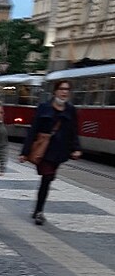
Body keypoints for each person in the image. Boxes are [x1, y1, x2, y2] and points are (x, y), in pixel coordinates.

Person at [19, 79, 81, 225]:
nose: (64, 92)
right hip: (44, 150)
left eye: (67, 90)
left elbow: (74, 131)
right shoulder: (44, 107)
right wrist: (25, 152)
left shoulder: (71, 110)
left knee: (48, 178)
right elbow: (33, 130)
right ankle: (39, 211)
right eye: (61, 89)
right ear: (55, 91)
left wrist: (76, 148)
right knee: (46, 179)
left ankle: (37, 209)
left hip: (60, 151)